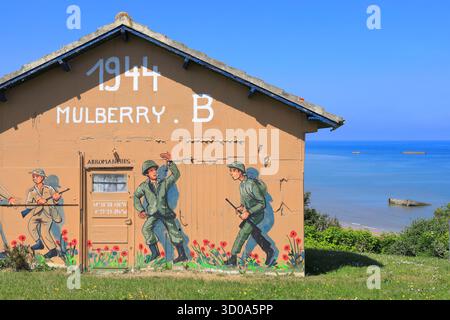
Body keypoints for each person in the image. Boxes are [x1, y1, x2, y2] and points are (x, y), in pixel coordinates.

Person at [134, 152, 188, 264]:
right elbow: (136, 196)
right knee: (146, 229)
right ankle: (155, 252)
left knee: (173, 231)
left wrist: (170, 162)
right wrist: (141, 210)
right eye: (150, 171)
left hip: (164, 211)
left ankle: (182, 255)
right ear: (147, 174)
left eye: (154, 170)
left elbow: (176, 175)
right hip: (153, 212)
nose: (154, 172)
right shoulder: (143, 186)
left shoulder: (164, 183)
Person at [225, 161, 275, 266]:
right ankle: (269, 250)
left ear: (240, 172)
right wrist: (241, 207)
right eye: (230, 171)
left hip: (257, 214)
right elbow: (244, 201)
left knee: (242, 233)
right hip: (251, 214)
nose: (231, 173)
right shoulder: (241, 185)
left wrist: (248, 212)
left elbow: (262, 203)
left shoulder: (251, 184)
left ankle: (233, 259)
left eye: (233, 171)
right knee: (255, 234)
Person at [25, 169, 62, 259]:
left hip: (47, 213)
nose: (34, 178)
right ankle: (39, 243)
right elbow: (28, 205)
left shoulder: (49, 189)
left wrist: (57, 198)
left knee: (45, 232)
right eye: (33, 176)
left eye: (36, 176)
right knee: (31, 226)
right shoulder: (32, 191)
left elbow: (55, 199)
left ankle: (53, 250)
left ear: (42, 177)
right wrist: (37, 202)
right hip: (37, 213)